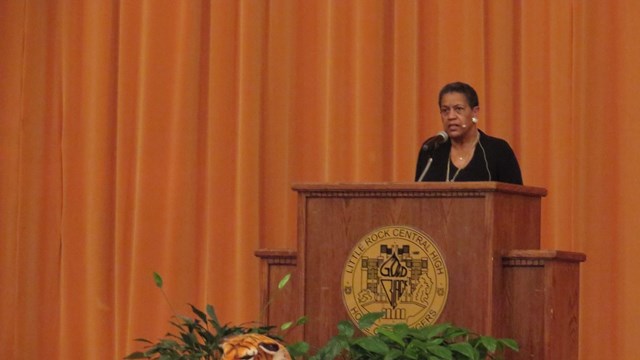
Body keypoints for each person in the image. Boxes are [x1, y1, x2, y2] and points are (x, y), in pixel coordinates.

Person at [415, 82, 523, 184]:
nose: (451, 116)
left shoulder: (498, 151)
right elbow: (417, 197)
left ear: (475, 113)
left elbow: (517, 200)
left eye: (459, 109)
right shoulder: (432, 149)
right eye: (445, 110)